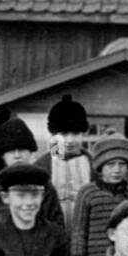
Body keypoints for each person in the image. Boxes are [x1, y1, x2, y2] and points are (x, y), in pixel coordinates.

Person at [70, 132, 128, 256]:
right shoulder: (87, 193)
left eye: (122, 164)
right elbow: (78, 231)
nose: (117, 170)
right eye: (110, 165)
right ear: (100, 167)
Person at [0, 115, 62, 237]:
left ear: (31, 152)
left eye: (22, 149)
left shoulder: (43, 182)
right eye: (11, 150)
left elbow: (57, 225)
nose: (17, 155)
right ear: (3, 155)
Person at [36, 94, 94, 223]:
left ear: (83, 133)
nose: (70, 140)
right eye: (64, 134)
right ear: (53, 134)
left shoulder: (93, 165)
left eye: (75, 133)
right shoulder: (40, 166)